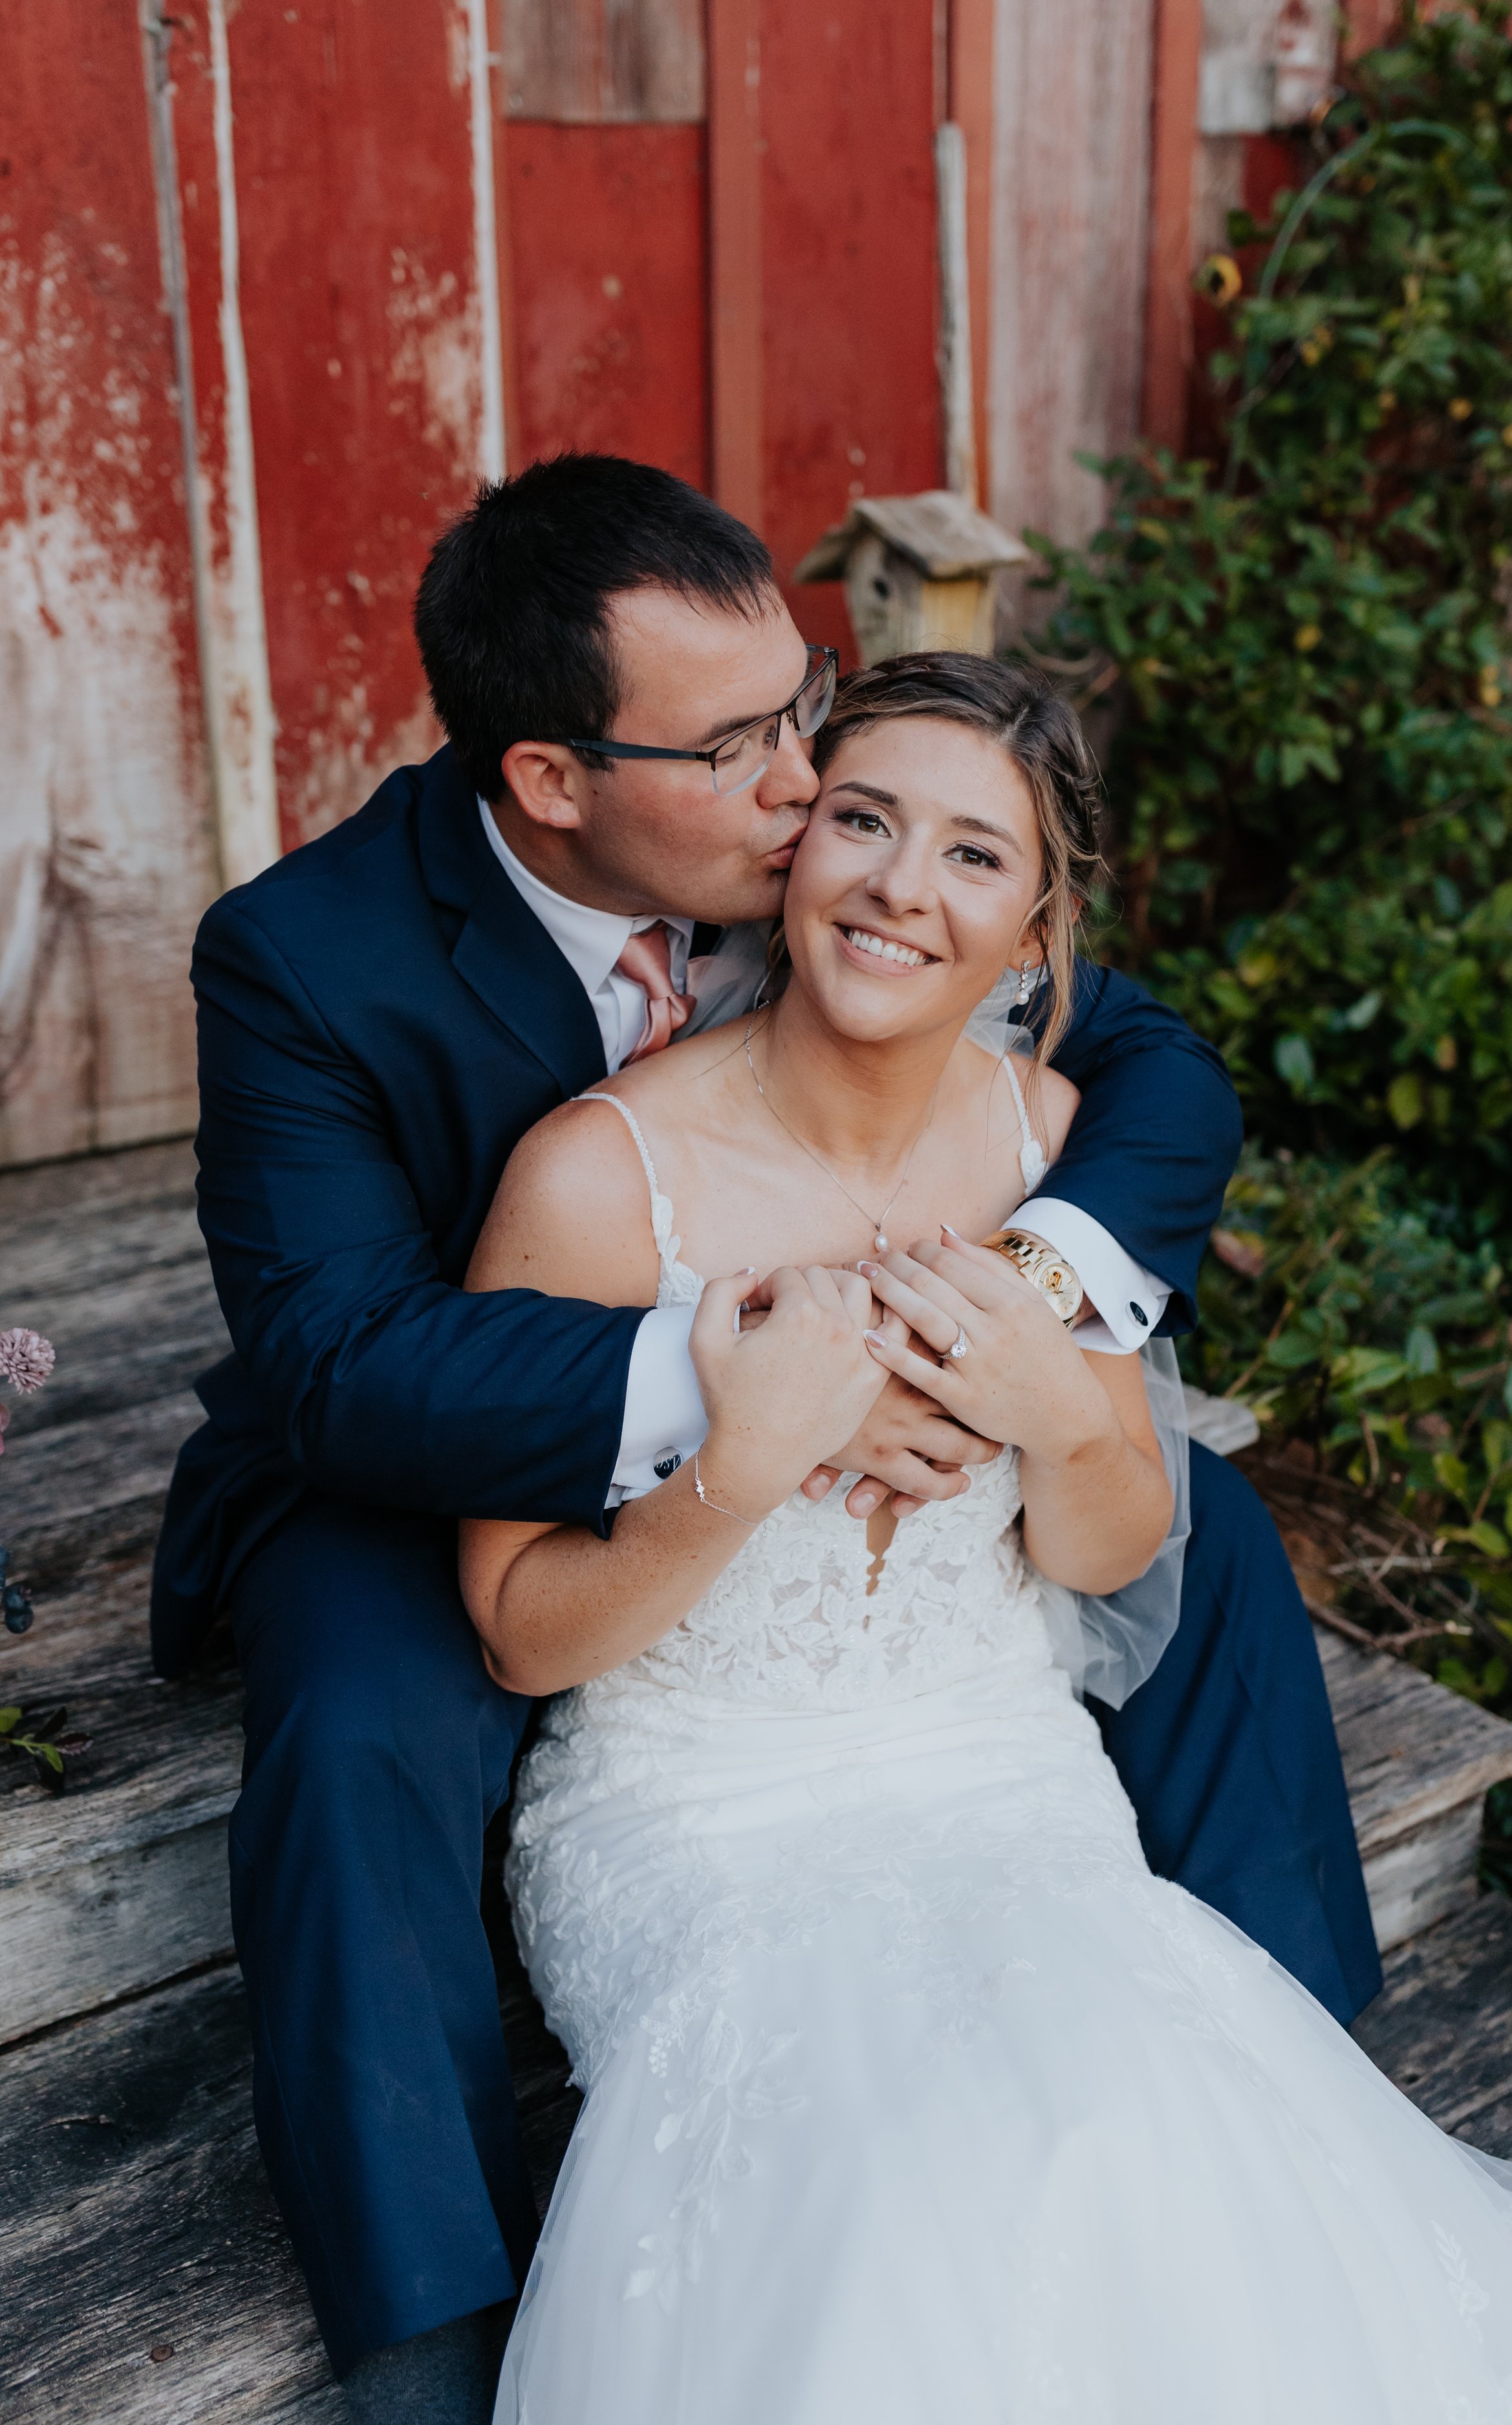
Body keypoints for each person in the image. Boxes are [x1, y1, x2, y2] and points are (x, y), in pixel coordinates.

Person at [151, 455, 1377, 2422]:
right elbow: (338, 1361)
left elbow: (1136, 1061)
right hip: (439, 1444)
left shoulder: (838, 866)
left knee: (1198, 1527)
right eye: (741, 748)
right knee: (363, 1713)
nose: (812, 788)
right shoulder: (306, 959)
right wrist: (743, 1398)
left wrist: (1021, 1317)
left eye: (801, 700)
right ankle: (426, 2322)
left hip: (871, 1455)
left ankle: (1295, 2071)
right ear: (557, 783)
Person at [470, 652, 1512, 2422]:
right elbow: (520, 1634)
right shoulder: (594, 1180)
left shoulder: (1052, 1148)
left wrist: (1057, 1400)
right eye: (859, 820)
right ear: (792, 847)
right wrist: (739, 1463)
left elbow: (1097, 1554)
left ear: (1036, 935)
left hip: (1004, 1777)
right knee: (895, 2203)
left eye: (971, 857)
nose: (896, 889)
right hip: (703, 1818)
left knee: (1129, 2127)